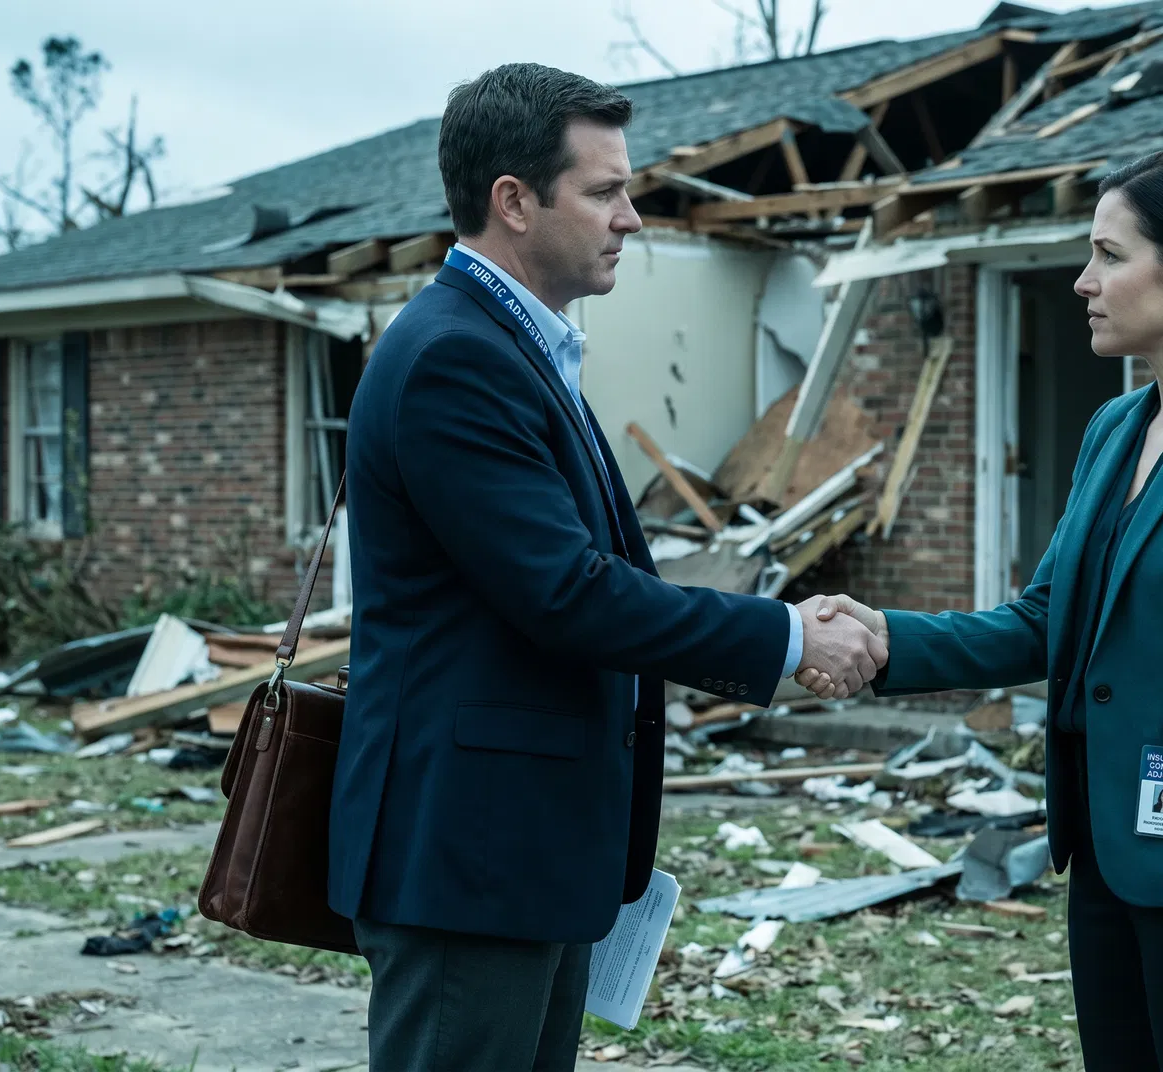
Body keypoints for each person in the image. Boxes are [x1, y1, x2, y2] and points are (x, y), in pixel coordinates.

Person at [329, 64, 887, 1072]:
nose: (631, 217)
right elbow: (568, 590)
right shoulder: (457, 357)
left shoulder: (517, 347)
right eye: (603, 191)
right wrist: (788, 635)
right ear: (513, 201)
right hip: (469, 859)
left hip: (523, 855)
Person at [799, 148, 1163, 1071]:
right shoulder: (1116, 427)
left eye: (1107, 253)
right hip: (1109, 851)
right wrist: (885, 636)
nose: (1083, 280)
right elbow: (1043, 619)